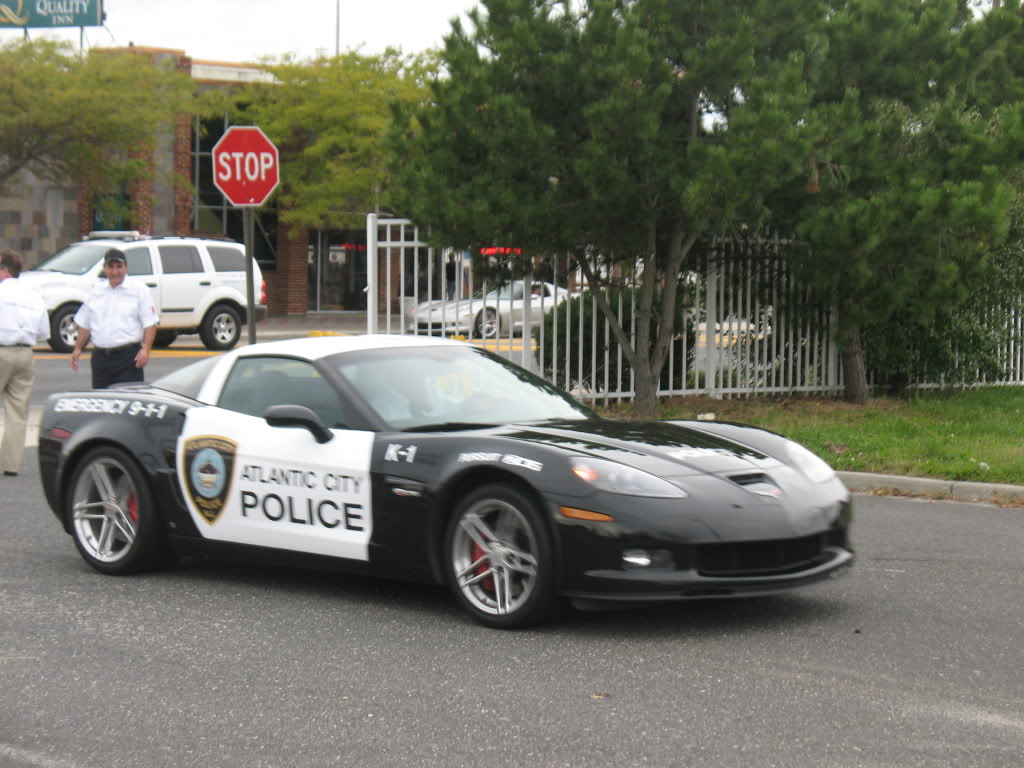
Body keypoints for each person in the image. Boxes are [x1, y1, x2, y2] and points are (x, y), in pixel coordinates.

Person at [70, 248, 158, 389]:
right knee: (101, 402)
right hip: (101, 358)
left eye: (119, 267)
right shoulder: (96, 291)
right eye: (111, 267)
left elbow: (150, 323)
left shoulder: (139, 290)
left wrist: (146, 349)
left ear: (126, 267)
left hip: (128, 358)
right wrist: (78, 348)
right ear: (104, 269)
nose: (115, 272)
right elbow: (85, 323)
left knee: (127, 403)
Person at [0, 248, 50, 476]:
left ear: (4, 270)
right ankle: (11, 464)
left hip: (2, 349)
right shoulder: (33, 296)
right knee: (17, 412)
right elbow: (43, 332)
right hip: (25, 353)